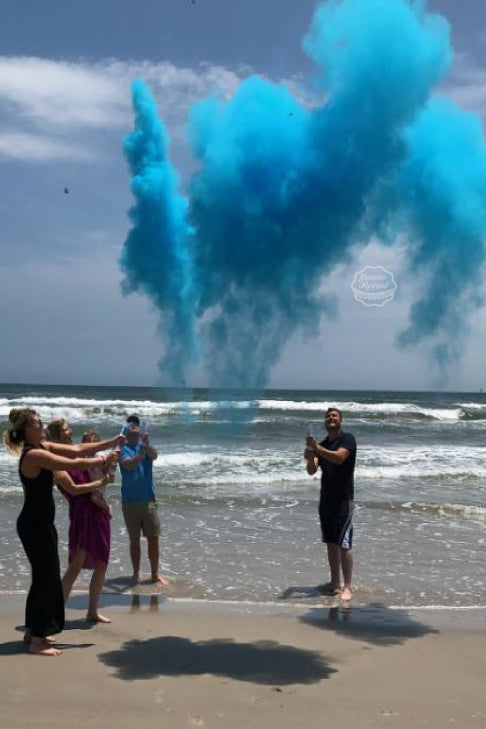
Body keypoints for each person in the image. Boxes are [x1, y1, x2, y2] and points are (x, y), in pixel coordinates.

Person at [3, 408, 117, 656]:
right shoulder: (33, 455)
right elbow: (72, 463)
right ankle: (37, 640)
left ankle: (34, 631)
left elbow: (76, 450)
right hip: (35, 525)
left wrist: (111, 442)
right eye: (37, 423)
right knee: (47, 579)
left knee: (43, 578)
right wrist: (102, 460)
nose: (42, 424)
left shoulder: (42, 447)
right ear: (27, 430)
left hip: (41, 524)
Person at [46, 419, 119, 623]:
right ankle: (53, 615)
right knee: (75, 566)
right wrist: (101, 482)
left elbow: (93, 458)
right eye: (66, 430)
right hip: (82, 515)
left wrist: (109, 458)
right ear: (56, 436)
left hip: (97, 510)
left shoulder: (75, 453)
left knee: (102, 563)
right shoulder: (56, 462)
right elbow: (74, 490)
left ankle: (92, 612)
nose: (70, 432)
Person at [305, 407, 357, 602]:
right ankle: (334, 583)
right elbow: (311, 470)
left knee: (344, 543)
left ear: (340, 421)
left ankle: (347, 586)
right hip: (326, 499)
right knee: (331, 543)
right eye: (327, 416)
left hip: (344, 500)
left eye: (334, 416)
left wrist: (317, 448)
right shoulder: (323, 443)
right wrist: (311, 454)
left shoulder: (347, 439)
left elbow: (339, 458)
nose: (330, 418)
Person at [119, 415, 168, 585]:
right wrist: (139, 456)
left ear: (139, 430)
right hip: (129, 501)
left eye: (136, 426)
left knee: (153, 538)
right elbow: (128, 465)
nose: (134, 428)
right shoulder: (123, 449)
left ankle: (155, 574)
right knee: (134, 540)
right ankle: (136, 573)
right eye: (131, 425)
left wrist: (146, 446)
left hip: (149, 500)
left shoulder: (145, 447)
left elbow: (154, 456)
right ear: (126, 430)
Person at [82, 428, 112, 517]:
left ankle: (107, 508)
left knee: (94, 498)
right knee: (94, 497)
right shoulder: (88, 455)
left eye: (90, 444)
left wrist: (109, 462)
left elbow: (105, 467)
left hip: (100, 481)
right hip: (94, 481)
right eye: (85, 443)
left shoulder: (99, 455)